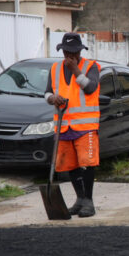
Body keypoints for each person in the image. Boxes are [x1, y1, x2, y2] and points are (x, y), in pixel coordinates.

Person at [45, 33, 101, 217]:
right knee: (71, 166)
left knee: (87, 164)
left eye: (73, 52)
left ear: (80, 51)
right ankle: (79, 199)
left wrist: (76, 70)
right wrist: (52, 98)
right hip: (63, 126)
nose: (70, 55)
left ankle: (89, 202)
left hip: (85, 127)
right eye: (66, 51)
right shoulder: (54, 68)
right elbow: (47, 93)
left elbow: (91, 87)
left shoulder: (91, 66)